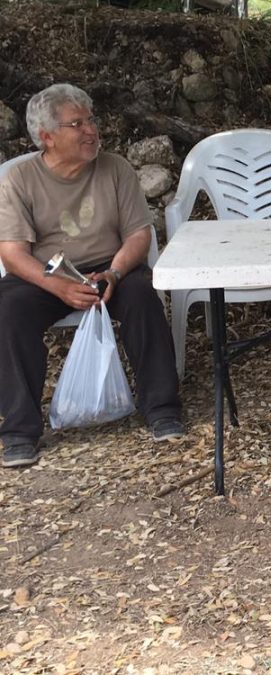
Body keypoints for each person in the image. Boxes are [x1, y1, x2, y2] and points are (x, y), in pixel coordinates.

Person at [0, 83, 184, 469]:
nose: (91, 131)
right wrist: (58, 286)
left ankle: (163, 408)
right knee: (8, 310)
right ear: (47, 137)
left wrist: (115, 273)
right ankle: (19, 430)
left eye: (91, 120)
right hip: (48, 273)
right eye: (77, 124)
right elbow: (13, 254)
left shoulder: (115, 168)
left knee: (142, 294)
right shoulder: (19, 178)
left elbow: (138, 235)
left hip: (107, 266)